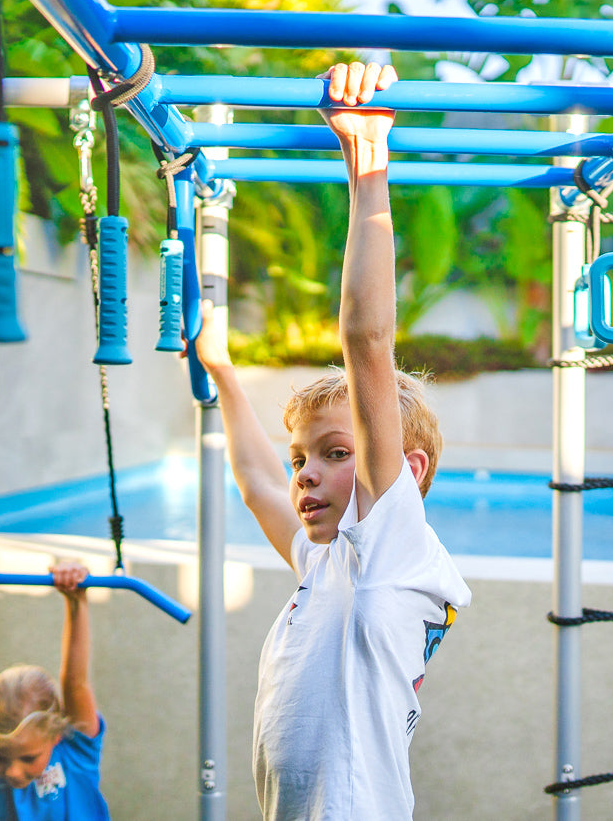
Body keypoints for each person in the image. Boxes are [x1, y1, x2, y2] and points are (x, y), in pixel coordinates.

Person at [194, 60, 472, 820]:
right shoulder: (328, 560)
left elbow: (369, 341)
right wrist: (220, 369)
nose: (306, 476)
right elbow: (255, 480)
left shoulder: (392, 548)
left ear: (404, 473)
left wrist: (367, 165)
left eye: (336, 453)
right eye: (303, 459)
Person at [0, 556, 110, 820]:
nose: (13, 771)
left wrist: (76, 600)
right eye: (0, 757)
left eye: (28, 758)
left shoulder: (75, 751)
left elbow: (75, 682)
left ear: (56, 735)